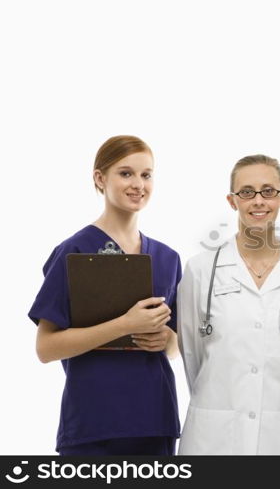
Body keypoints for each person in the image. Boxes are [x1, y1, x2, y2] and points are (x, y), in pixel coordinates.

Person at [28, 135, 181, 455]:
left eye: (146, 174)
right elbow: (46, 347)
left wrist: (166, 339)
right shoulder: (74, 251)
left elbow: (177, 344)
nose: (138, 183)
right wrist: (125, 324)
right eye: (126, 173)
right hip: (94, 425)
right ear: (100, 178)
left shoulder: (168, 258)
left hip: (155, 421)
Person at [177, 155, 280, 455]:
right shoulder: (201, 269)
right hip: (214, 435)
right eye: (247, 192)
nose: (258, 201)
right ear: (232, 201)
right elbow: (191, 353)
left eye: (268, 191)